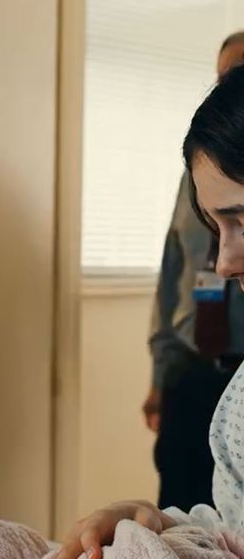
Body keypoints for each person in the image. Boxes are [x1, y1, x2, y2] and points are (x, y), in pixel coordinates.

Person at [57, 65, 244, 558]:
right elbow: (234, 527)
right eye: (218, 227)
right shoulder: (237, 407)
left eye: (243, 221)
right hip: (195, 367)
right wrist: (155, 522)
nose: (225, 263)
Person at [144, 31, 244, 510]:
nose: (225, 262)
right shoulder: (198, 177)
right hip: (193, 371)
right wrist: (160, 376)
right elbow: (171, 277)